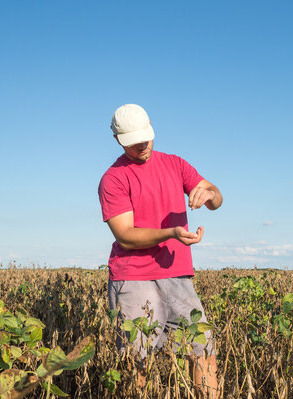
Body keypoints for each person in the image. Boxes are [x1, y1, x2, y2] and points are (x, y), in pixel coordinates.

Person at [98, 104, 223, 397]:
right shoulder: (113, 179)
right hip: (134, 278)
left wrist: (210, 193)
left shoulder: (175, 164)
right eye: (133, 142)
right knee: (137, 363)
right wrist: (171, 234)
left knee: (204, 352)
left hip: (177, 274)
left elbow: (215, 199)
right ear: (117, 139)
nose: (142, 145)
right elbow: (126, 236)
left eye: (145, 137)